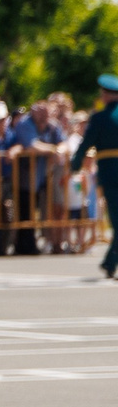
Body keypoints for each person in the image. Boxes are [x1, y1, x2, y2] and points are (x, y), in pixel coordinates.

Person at [78, 76, 118, 277]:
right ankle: (110, 262)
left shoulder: (100, 118)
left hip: (110, 174)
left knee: (116, 220)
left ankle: (110, 262)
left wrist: (75, 164)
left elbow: (87, 143)